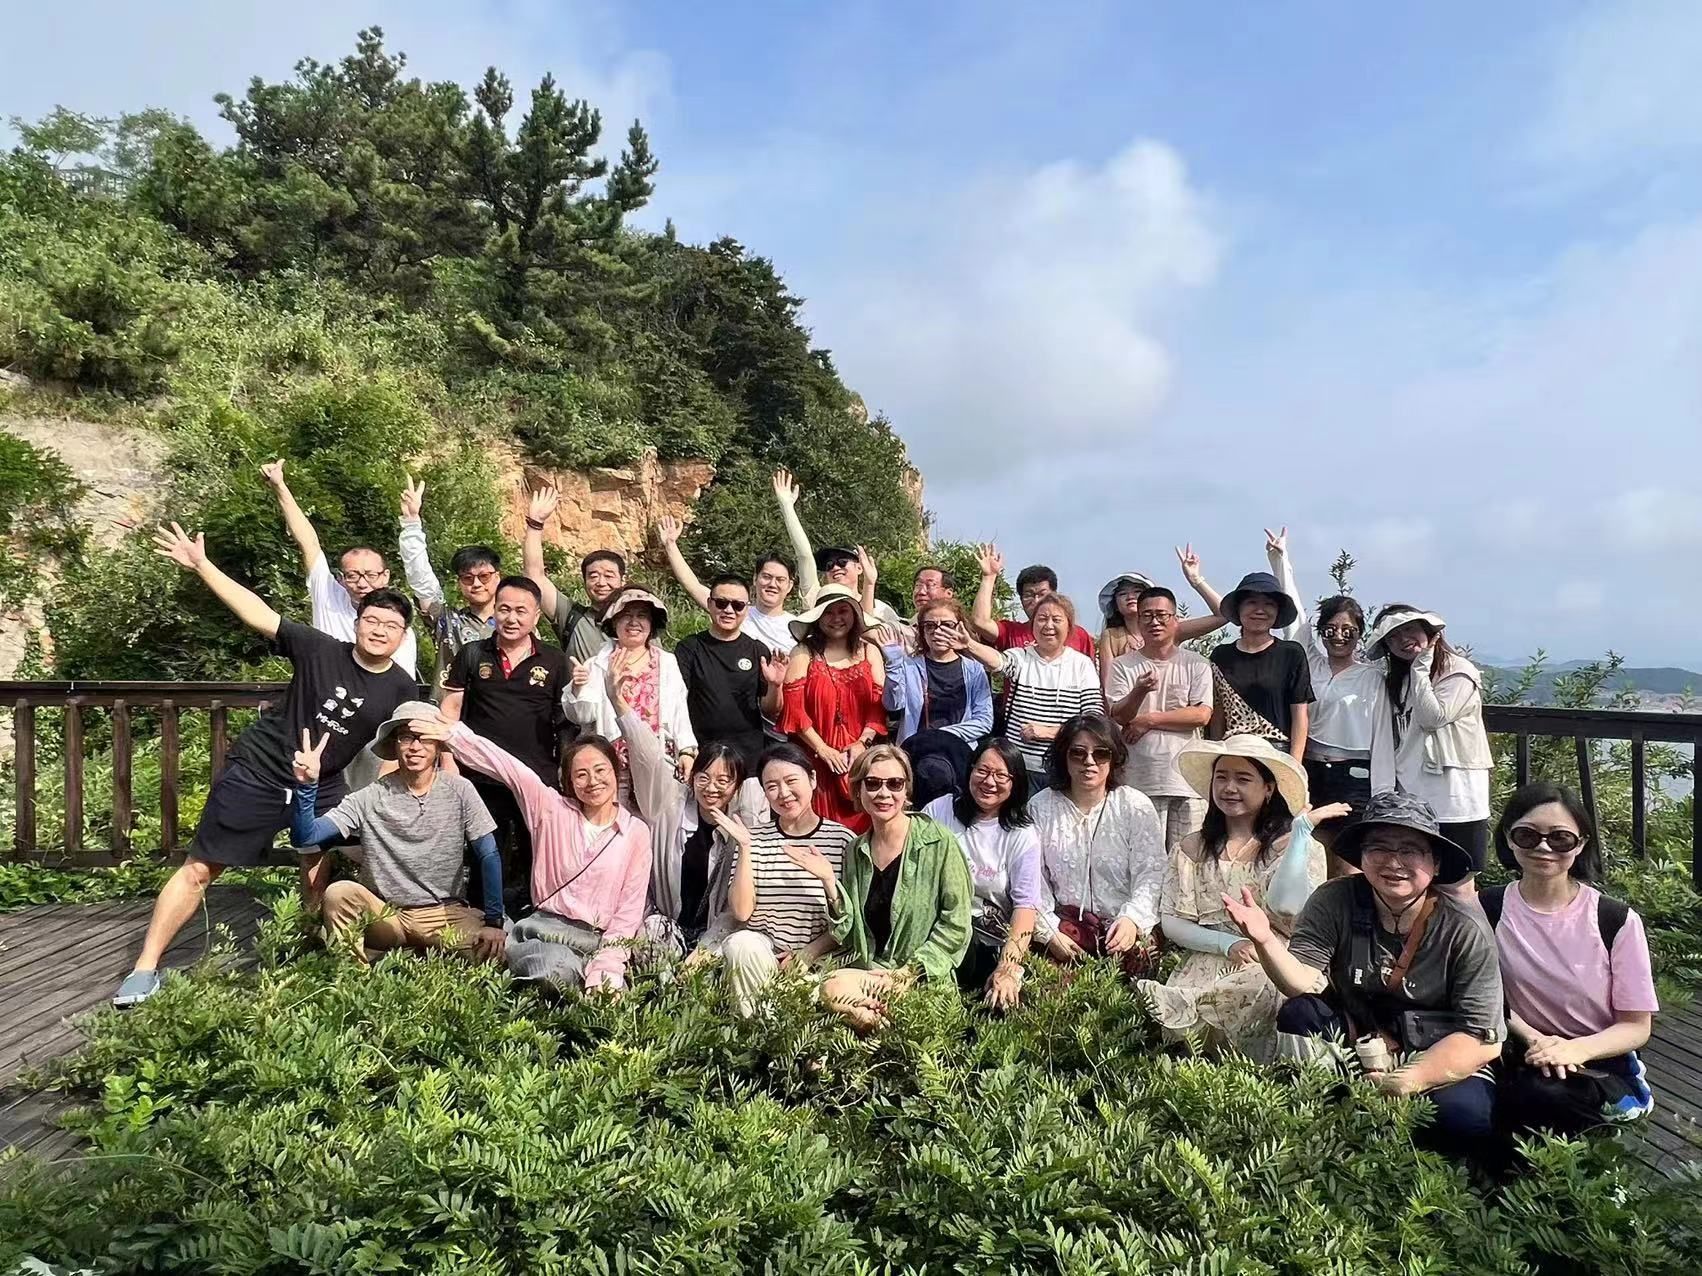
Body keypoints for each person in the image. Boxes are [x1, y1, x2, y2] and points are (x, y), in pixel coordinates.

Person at [113, 523, 417, 1007]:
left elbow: (392, 749)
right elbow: (259, 614)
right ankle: (144, 968)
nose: (379, 631)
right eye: (372, 621)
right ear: (357, 622)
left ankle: (313, 943)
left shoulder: (401, 687)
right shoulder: (320, 648)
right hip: (260, 770)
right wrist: (202, 565)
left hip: (323, 784)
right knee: (200, 868)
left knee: (317, 860)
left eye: (391, 626)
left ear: (403, 636)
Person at [1223, 791, 1504, 1160]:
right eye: (1379, 848)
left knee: (1461, 1117)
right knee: (1300, 1013)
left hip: (1439, 1050)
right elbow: (1301, 981)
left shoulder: (1463, 927)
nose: (1394, 862)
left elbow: (1483, 1037)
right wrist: (1264, 941)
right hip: (1359, 1039)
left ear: (1435, 863)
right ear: (1361, 857)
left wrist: (1407, 1080)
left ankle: (1437, 1183)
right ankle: (1319, 1140)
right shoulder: (1334, 900)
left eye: (1410, 851)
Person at [1136, 735, 1344, 1059]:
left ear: (1268, 788)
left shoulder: (1295, 847)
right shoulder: (1190, 849)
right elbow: (1173, 921)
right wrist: (1226, 944)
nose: (1229, 787)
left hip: (1273, 960)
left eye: (1243, 778)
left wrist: (1300, 837)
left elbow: (1289, 906)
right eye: (1222, 777)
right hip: (1206, 962)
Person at [412, 718, 652, 991]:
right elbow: (510, 769)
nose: (593, 781)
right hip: (541, 935)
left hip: (598, 940)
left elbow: (629, 912)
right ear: (569, 780)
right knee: (553, 969)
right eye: (581, 774)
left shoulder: (636, 831)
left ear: (616, 771)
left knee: (603, 987)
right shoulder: (550, 809)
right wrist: (454, 736)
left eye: (600, 770)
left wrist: (607, 966)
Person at [1483, 782, 1657, 1137]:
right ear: (1509, 839)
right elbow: (1485, 995)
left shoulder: (1614, 920)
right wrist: (1537, 1041)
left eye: (1560, 838)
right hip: (1517, 1048)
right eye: (1528, 835)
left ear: (1581, 843)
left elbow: (1636, 1026)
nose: (1544, 847)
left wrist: (1573, 1049)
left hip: (1597, 1058)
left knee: (1539, 1097)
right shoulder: (1488, 909)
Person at [287, 703, 506, 963]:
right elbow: (307, 837)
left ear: (438, 746)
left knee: (493, 954)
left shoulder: (460, 790)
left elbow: (488, 854)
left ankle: (415, 955)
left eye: (425, 738)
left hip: (445, 915)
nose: (415, 747)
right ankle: (353, 979)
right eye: (406, 737)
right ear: (394, 745)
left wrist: (494, 920)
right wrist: (307, 786)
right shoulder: (370, 796)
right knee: (339, 893)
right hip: (386, 915)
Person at [786, 746, 973, 1031]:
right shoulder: (855, 851)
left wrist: (909, 973)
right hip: (869, 977)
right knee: (821, 991)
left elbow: (957, 925)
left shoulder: (939, 842)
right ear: (858, 790)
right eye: (872, 784)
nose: (883, 793)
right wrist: (829, 882)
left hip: (919, 979)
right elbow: (849, 933)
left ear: (906, 789)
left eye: (894, 784)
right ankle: (881, 1031)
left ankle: (880, 1035)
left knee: (831, 990)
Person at [611, 664, 767, 960]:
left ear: (736, 787)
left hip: (716, 935)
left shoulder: (743, 823)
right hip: (664, 928)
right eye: (704, 777)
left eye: (724, 780)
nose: (711, 788)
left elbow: (738, 910)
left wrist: (705, 950)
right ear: (692, 777)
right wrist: (620, 704)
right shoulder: (668, 807)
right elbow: (648, 756)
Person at [440, 576, 573, 918]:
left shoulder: (556, 662)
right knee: (485, 849)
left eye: (521, 611)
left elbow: (565, 722)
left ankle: (538, 915)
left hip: (536, 777)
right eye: (504, 609)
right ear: (494, 611)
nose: (511, 618)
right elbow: (450, 710)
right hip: (480, 776)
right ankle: (482, 918)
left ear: (536, 616)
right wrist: (448, 762)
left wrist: (566, 775)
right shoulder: (472, 654)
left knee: (538, 849)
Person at [695, 742, 858, 1014]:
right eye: (771, 786)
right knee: (740, 944)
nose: (783, 793)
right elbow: (742, 911)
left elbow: (850, 921)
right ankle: (757, 1038)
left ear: (813, 779)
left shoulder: (842, 840)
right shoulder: (755, 838)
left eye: (791, 781)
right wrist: (746, 848)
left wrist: (828, 881)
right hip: (763, 956)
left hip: (820, 958)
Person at [1268, 528, 1380, 865]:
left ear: (1360, 634)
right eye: (1331, 630)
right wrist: (1279, 558)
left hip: (1356, 774)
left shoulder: (1374, 675)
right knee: (1309, 855)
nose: (1339, 636)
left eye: (1349, 630)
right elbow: (1298, 620)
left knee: (1349, 860)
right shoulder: (1311, 664)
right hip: (1311, 768)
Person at [1030, 714, 1164, 975]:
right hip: (1064, 926)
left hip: (1122, 924)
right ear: (1063, 756)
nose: (1089, 762)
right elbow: (1033, 880)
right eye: (1078, 753)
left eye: (1100, 753)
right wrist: (1049, 931)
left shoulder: (1134, 806)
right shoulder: (1040, 807)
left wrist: (1133, 919)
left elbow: (1152, 872)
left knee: (1137, 979)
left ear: (1113, 758)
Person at [1366, 604, 1492, 879]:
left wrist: (1422, 668)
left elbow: (1433, 717)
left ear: (1429, 632)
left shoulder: (1458, 671)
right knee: (1419, 879)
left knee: (1458, 883)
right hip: (1412, 795)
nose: (1403, 639)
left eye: (1410, 629)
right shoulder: (1397, 680)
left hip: (1457, 799)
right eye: (1393, 636)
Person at [260, 458, 419, 676]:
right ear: (342, 578)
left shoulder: (396, 620)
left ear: (385, 576)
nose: (362, 583)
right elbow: (308, 542)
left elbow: (403, 682)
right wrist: (280, 487)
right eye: (353, 575)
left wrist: (412, 522)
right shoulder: (328, 595)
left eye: (370, 575)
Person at [924, 737, 1042, 1010]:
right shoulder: (939, 811)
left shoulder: (1022, 835)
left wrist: (1007, 968)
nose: (990, 782)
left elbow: (1026, 907)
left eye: (1002, 775)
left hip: (990, 945)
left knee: (1000, 1000)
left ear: (1015, 783)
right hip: (937, 937)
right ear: (970, 770)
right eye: (983, 771)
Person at [1105, 586, 1215, 852]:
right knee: (1141, 859)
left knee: (1185, 862)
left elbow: (1201, 714)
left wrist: (1150, 720)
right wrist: (1139, 690)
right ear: (1138, 620)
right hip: (1138, 779)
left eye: (1162, 615)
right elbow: (1118, 714)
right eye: (1147, 615)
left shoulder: (1197, 663)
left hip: (1186, 780)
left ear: (1175, 619)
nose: (1154, 622)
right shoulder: (1122, 665)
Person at [961, 594, 1102, 789]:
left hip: (1064, 768)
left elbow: (1093, 720)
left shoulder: (1082, 665)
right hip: (1018, 768)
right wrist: (969, 644)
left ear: (1069, 626)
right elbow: (998, 661)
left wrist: (1051, 733)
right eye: (1042, 619)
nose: (1048, 626)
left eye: (1056, 619)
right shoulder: (1021, 657)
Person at [779, 584, 888, 834]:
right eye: (828, 612)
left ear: (855, 615)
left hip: (860, 760)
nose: (836, 618)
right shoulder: (803, 652)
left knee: (865, 831)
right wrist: (823, 749)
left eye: (843, 611)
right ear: (818, 617)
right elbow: (794, 710)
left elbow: (878, 704)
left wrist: (863, 743)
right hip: (815, 760)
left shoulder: (869, 650)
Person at [566, 588, 698, 790]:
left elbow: (680, 710)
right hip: (612, 765)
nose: (634, 622)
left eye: (642, 616)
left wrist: (687, 750)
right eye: (626, 616)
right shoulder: (596, 664)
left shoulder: (666, 662)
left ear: (651, 624)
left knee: (660, 820)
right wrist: (578, 686)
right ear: (613, 622)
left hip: (659, 760)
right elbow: (583, 716)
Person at [879, 599, 994, 806]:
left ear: (960, 627)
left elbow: (984, 720)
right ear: (921, 631)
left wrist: (942, 736)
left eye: (947, 625)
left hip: (958, 756)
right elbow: (893, 705)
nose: (937, 631)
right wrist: (894, 665)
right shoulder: (909, 665)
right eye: (930, 626)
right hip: (914, 755)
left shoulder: (974, 669)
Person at [670, 572, 788, 773]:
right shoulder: (689, 648)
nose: (729, 610)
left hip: (749, 759)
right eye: (721, 603)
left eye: (738, 605)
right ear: (709, 603)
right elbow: (676, 703)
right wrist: (686, 750)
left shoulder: (758, 650)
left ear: (746, 608)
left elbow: (770, 710)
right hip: (703, 756)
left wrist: (776, 685)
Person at [396, 472, 500, 693]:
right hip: (448, 719)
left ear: (497, 577)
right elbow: (421, 579)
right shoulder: (448, 621)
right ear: (459, 582)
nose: (477, 584)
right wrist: (412, 524)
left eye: (484, 576)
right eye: (467, 578)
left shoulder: (513, 622)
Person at [654, 499, 801, 655]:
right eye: (766, 577)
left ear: (790, 585)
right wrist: (670, 545)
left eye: (780, 580)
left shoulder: (798, 627)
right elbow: (693, 586)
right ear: (755, 579)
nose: (772, 584)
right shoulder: (736, 609)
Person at [770, 466, 905, 630]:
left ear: (859, 567)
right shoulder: (817, 598)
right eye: (828, 565)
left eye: (842, 562)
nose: (834, 567)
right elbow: (804, 556)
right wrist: (787, 507)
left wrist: (870, 584)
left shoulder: (881, 609)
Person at [1209, 569, 1314, 763]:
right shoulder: (1220, 655)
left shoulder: (1291, 653)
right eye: (1251, 602)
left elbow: (1300, 713)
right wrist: (1215, 757)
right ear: (1239, 608)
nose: (1260, 610)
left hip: (1276, 753)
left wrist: (1295, 763)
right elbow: (1218, 714)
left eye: (1269, 604)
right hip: (1233, 751)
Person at [520, 483, 628, 663]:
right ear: (584, 581)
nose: (601, 582)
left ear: (623, 580)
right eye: (593, 576)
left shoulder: (640, 621)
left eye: (609, 575)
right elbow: (535, 575)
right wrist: (535, 524)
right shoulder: (571, 616)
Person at [1094, 558, 1224, 690]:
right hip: (1129, 705)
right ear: (1114, 605)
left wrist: (1196, 579)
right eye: (1123, 594)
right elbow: (1109, 685)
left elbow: (1223, 615)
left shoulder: (1171, 627)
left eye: (1137, 592)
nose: (1130, 597)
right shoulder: (1112, 636)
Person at [969, 544, 1096, 658]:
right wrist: (989, 577)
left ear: (1055, 596)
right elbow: (980, 622)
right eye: (1029, 595)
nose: (1036, 600)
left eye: (1042, 594)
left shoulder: (1079, 635)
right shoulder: (1011, 632)